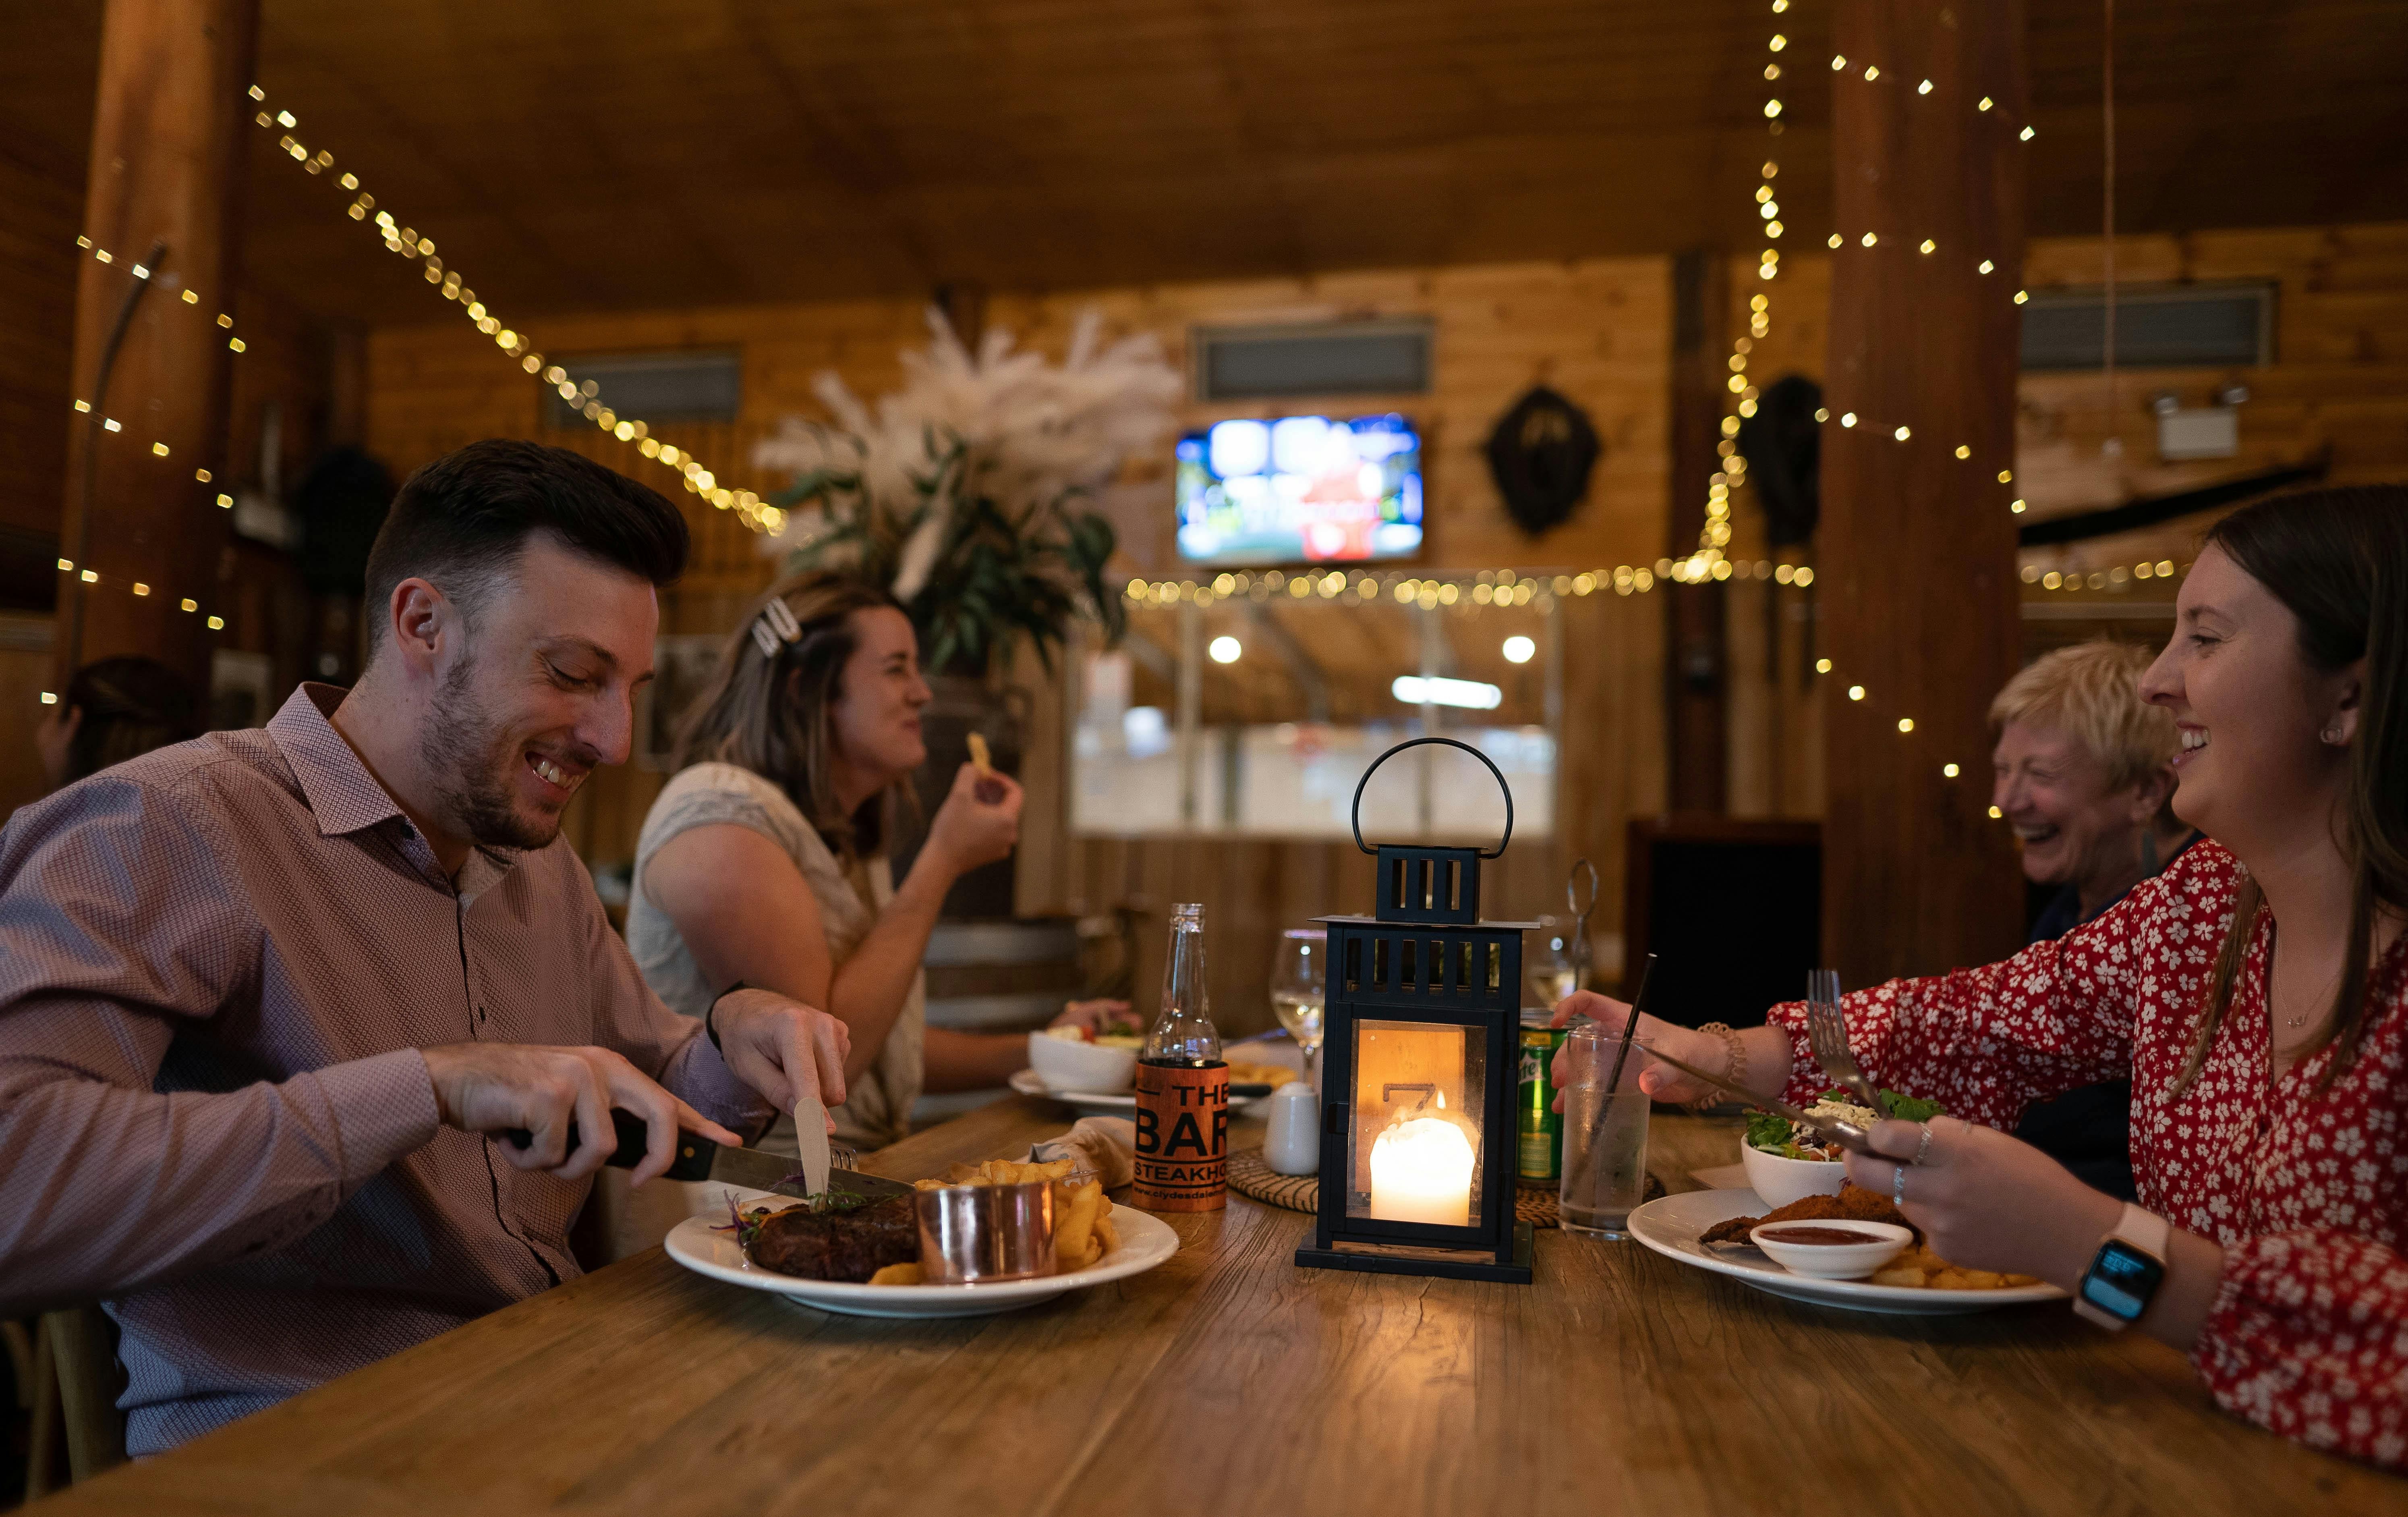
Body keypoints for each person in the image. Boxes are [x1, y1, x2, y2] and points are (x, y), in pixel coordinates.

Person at [0, 440, 851, 1455]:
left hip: (566, 1395)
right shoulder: (166, 823)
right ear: (422, 624)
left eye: (629, 686)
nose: (615, 738)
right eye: (574, 673)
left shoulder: (536, 861)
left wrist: (731, 1032)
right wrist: (427, 1086)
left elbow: (653, 1073)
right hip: (310, 1451)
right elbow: (18, 1182)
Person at [1561, 485, 2408, 1470]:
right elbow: (1982, 1021)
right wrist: (1705, 1051)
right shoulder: (2206, 905)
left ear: (2349, 696)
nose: (2158, 682)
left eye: (2206, 638)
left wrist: (2097, 1242)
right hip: (2191, 1456)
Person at [627, 570, 1122, 1155]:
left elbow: (882, 1043)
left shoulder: (843, 840)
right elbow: (831, 1067)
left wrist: (1050, 1049)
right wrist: (942, 860)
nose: (923, 692)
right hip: (736, 1201)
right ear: (805, 689)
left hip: (847, 1172)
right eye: (896, 669)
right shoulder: (717, 816)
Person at [1989, 640, 2199, 1199]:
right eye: (2002, 770)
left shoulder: (2190, 919)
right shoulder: (2065, 906)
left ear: (2145, 791)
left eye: (2039, 774)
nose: (2007, 799)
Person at [33, 655, 199, 789]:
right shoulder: (199, 820)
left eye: (52, 714)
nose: (40, 734)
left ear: (73, 721)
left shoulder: (41, 827)